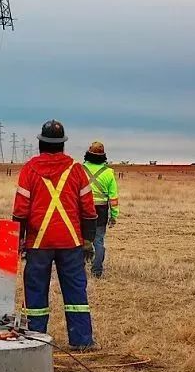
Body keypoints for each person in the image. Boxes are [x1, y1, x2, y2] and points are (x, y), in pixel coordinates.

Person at [12, 120, 99, 350]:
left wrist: (18, 241)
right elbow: (89, 209)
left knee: (36, 291)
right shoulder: (76, 170)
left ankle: (35, 339)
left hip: (38, 242)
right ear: (62, 145)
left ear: (41, 143)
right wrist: (88, 240)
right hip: (70, 242)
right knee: (75, 292)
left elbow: (20, 210)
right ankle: (81, 341)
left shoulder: (29, 170)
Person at [83, 141, 119, 278]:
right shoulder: (109, 173)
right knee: (98, 241)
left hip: (83, 210)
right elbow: (113, 197)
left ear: (88, 154)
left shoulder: (80, 169)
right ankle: (97, 271)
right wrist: (114, 215)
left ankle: (79, 269)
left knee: (81, 239)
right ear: (103, 156)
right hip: (101, 211)